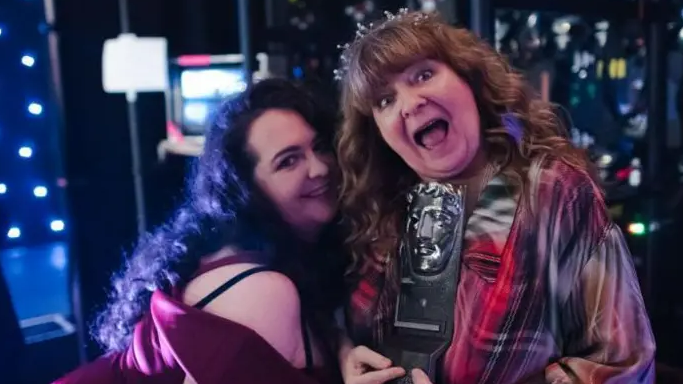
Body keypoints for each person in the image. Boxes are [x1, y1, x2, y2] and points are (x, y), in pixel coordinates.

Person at [334, 9, 656, 384]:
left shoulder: (551, 192)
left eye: (423, 75)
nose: (409, 103)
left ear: (468, 79)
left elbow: (623, 364)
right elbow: (340, 321)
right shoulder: (389, 210)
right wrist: (346, 356)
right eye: (385, 100)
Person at [54, 78, 347, 384]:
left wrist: (342, 347)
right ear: (246, 189)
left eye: (320, 147)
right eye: (288, 161)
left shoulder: (257, 248)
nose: (320, 168)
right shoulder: (258, 291)